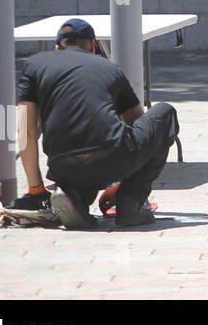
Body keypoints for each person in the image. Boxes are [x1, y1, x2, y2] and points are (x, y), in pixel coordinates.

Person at [12, 19, 180, 229]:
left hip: (61, 165)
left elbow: (25, 132)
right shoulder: (110, 68)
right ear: (92, 46)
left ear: (57, 48)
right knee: (164, 114)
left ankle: (74, 197)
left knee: (79, 161)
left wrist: (36, 189)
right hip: (111, 158)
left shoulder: (34, 65)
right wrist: (123, 180)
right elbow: (139, 125)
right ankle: (130, 201)